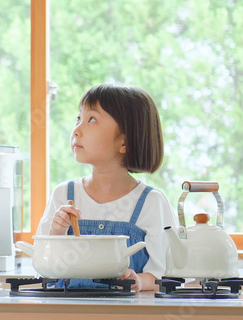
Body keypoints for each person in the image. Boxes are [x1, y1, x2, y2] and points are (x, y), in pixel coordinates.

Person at [36, 83, 177, 292]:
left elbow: (166, 274)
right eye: (78, 118)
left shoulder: (151, 202)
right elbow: (42, 266)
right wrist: (56, 232)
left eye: (92, 119)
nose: (76, 130)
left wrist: (137, 281)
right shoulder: (63, 194)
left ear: (125, 143)